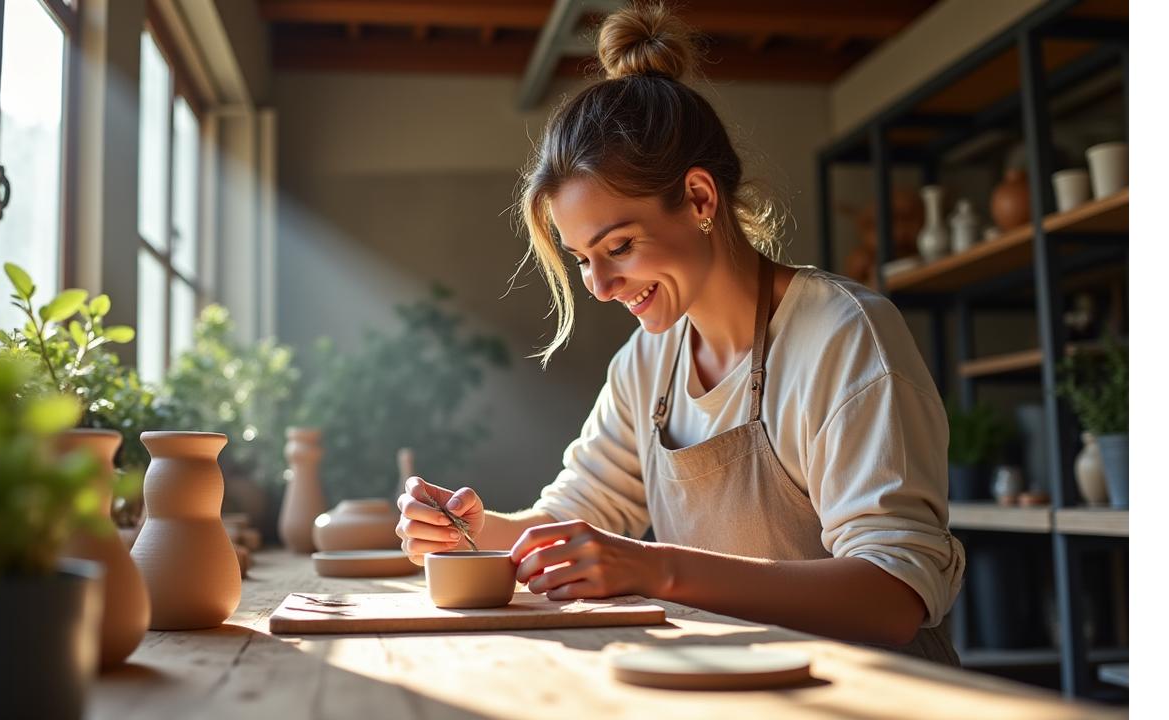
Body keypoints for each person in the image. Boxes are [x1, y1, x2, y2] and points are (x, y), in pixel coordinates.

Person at [395, 2, 964, 664]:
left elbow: (894, 596)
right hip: (737, 690)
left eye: (620, 246)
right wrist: (471, 529)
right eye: (582, 259)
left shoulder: (843, 336)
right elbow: (578, 514)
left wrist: (657, 570)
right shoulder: (648, 361)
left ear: (699, 199)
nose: (599, 286)